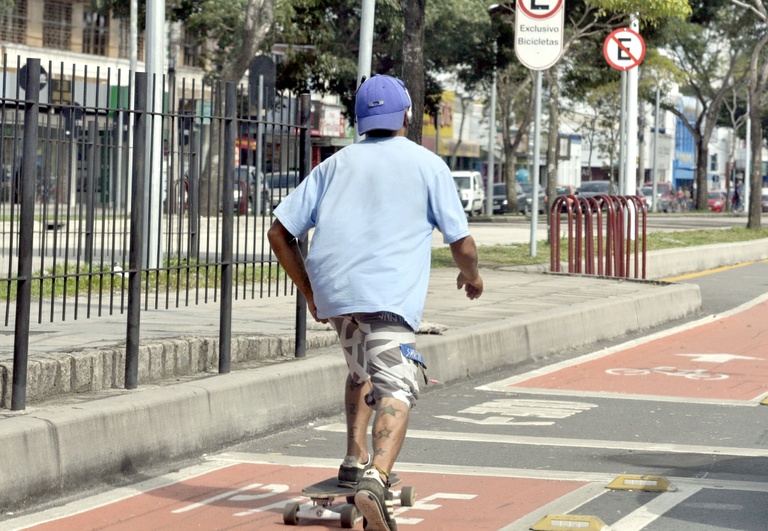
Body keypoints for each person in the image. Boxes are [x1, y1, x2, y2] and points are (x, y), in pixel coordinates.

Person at [267, 74, 483, 531]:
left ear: (361, 120)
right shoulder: (428, 165)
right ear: (406, 115)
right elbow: (461, 243)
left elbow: (279, 233)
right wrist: (472, 277)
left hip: (337, 298)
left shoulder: (333, 165)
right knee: (398, 387)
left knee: (362, 372)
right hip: (385, 300)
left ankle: (354, 458)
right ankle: (375, 480)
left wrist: (310, 293)